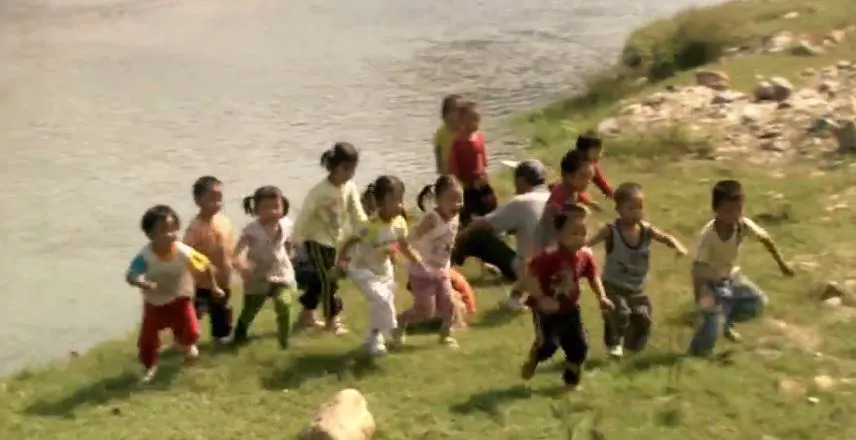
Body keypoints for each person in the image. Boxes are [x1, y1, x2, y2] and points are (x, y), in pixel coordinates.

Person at [688, 180, 795, 356]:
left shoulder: (742, 225)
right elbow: (698, 270)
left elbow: (766, 240)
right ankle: (698, 353)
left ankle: (725, 321)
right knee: (711, 324)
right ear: (716, 210)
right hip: (710, 283)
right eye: (728, 210)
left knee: (758, 302)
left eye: (738, 209)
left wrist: (783, 265)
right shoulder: (707, 237)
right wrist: (700, 299)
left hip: (731, 278)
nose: (734, 215)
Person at [585, 182, 688, 358]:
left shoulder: (646, 230)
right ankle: (614, 343)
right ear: (618, 209)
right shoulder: (611, 230)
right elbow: (589, 243)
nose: (636, 212)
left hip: (637, 288)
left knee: (643, 317)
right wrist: (579, 252)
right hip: (613, 284)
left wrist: (678, 246)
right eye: (631, 208)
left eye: (639, 207)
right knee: (620, 313)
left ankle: (631, 350)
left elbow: (665, 237)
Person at [520, 204, 614, 391]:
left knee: (579, 348)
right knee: (549, 346)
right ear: (559, 235)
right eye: (574, 233)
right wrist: (541, 298)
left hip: (571, 310)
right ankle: (535, 356)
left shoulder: (585, 256)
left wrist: (602, 297)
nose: (580, 238)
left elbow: (593, 277)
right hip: (547, 313)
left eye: (583, 233)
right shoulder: (549, 257)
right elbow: (529, 278)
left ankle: (571, 382)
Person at [125, 205, 223, 383]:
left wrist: (214, 287)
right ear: (150, 234)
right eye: (163, 230)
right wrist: (143, 283)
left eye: (173, 229)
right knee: (148, 340)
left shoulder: (183, 252)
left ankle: (184, 343)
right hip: (154, 303)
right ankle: (149, 366)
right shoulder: (146, 256)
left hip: (180, 298)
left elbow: (205, 265)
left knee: (192, 332)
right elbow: (131, 276)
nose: (170, 234)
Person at [337, 175, 425, 357]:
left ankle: (372, 342)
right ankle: (391, 328)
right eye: (393, 200)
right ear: (379, 202)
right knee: (383, 300)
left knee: (380, 305)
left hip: (385, 272)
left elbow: (404, 246)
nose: (399, 205)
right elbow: (350, 241)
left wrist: (417, 260)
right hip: (362, 271)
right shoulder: (370, 226)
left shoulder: (400, 223)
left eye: (400, 200)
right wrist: (341, 261)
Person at [454, 159, 551, 311]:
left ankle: (447, 268)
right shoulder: (552, 198)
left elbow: (483, 224)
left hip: (529, 270)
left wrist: (461, 235)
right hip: (557, 267)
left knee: (476, 236)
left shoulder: (521, 202)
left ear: (521, 180)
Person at [292, 142, 367, 335]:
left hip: (336, 242)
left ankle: (306, 316)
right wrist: (295, 241)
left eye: (353, 169)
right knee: (329, 280)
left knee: (320, 280)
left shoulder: (350, 187)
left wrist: (370, 232)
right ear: (333, 167)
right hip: (316, 242)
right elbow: (304, 216)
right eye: (346, 169)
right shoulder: (319, 192)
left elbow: (357, 214)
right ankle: (332, 320)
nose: (350, 174)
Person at [395, 175, 463, 348]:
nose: (457, 204)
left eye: (460, 200)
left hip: (442, 271)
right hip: (422, 272)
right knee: (424, 311)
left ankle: (445, 335)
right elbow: (410, 237)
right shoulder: (432, 219)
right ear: (438, 200)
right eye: (451, 199)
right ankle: (399, 322)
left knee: (449, 304)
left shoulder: (455, 217)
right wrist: (399, 245)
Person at [232, 186, 296, 348]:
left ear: (283, 206)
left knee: (284, 303)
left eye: (276, 206)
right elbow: (238, 252)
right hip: (257, 276)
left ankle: (284, 340)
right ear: (256, 209)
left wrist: (292, 255)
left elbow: (289, 243)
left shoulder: (287, 224)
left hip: (281, 273)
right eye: (266, 207)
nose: (272, 211)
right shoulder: (251, 231)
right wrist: (242, 266)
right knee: (250, 310)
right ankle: (239, 335)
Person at [182, 176, 235, 344]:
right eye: (212, 198)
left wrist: (239, 263)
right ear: (198, 200)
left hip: (224, 277)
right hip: (204, 281)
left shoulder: (224, 221)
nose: (217, 203)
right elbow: (186, 252)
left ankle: (221, 338)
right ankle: (184, 336)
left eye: (219, 198)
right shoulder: (195, 227)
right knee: (196, 309)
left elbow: (232, 246)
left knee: (222, 309)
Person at [535, 149, 596, 251]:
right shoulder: (560, 193)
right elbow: (550, 217)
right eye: (583, 177)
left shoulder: (570, 189)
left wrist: (587, 202)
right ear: (568, 175)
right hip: (552, 244)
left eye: (590, 178)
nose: (587, 182)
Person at [448, 101, 497, 226]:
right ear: (462, 121)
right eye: (473, 120)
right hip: (467, 184)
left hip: (481, 180)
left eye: (478, 119)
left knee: (489, 205)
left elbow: (482, 156)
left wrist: (485, 173)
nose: (477, 123)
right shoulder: (457, 143)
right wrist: (459, 184)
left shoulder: (479, 137)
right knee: (469, 212)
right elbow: (453, 167)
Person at [575, 133, 613, 199]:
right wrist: (588, 201)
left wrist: (612, 194)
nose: (600, 155)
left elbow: (602, 183)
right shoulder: (578, 167)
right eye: (598, 152)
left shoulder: (592, 165)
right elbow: (573, 188)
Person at [433, 94, 462, 175]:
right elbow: (438, 150)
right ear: (445, 115)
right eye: (453, 111)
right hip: (448, 168)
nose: (457, 115)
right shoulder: (441, 132)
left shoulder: (466, 129)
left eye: (460, 111)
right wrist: (439, 167)